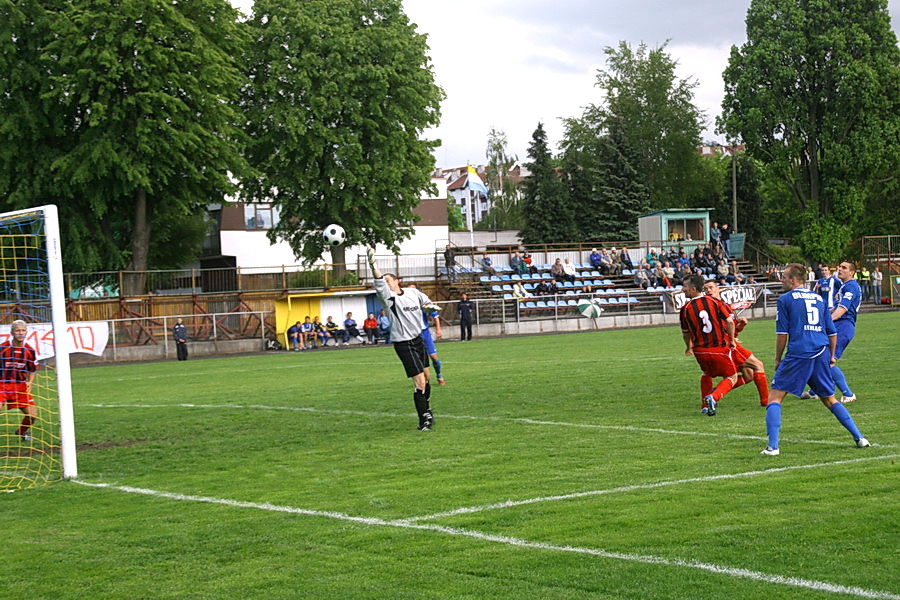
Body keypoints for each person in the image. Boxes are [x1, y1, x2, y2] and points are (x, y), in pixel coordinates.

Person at [760, 263, 870, 455]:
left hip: (798, 353)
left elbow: (782, 333)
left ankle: (773, 447)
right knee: (830, 399)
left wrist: (777, 358)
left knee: (775, 398)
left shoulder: (786, 299)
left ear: (793, 280)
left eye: (784, 277)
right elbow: (832, 332)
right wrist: (831, 356)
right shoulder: (818, 299)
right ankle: (860, 438)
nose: (782, 280)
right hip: (820, 352)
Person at [367, 247, 438, 431]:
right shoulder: (388, 298)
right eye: (385, 281)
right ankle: (424, 420)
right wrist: (373, 264)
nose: (386, 283)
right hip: (404, 343)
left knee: (427, 377)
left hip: (418, 339)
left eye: (389, 280)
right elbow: (378, 279)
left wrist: (430, 307)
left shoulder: (413, 293)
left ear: (398, 281)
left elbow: (427, 302)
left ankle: (427, 408)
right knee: (420, 381)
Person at [802, 260, 862, 403]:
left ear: (852, 272)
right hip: (839, 325)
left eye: (844, 268)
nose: (840, 269)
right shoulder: (845, 286)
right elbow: (836, 308)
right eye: (840, 267)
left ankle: (848, 394)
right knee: (820, 357)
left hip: (843, 326)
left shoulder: (851, 287)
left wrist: (826, 320)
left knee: (828, 360)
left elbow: (842, 310)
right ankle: (814, 391)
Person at [679, 274, 740, 416]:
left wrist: (689, 346)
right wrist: (731, 340)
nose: (683, 290)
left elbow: (685, 333)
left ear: (693, 289)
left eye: (685, 287)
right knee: (732, 376)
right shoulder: (713, 302)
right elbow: (730, 321)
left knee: (707, 373)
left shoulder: (685, 309)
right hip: (717, 348)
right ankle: (713, 397)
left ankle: (704, 407)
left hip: (700, 351)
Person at [703, 280, 769, 407]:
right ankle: (766, 402)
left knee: (748, 376)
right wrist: (732, 338)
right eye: (706, 289)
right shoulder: (713, 307)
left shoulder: (726, 306)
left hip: (728, 343)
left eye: (711, 287)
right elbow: (724, 330)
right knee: (758, 365)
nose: (708, 290)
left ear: (718, 289)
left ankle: (713, 393)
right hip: (728, 345)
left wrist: (741, 325)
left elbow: (733, 330)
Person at [1, 320, 39, 442]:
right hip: (2, 385)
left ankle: (21, 432)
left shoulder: (29, 351)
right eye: (17, 330)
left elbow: (32, 369)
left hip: (20, 387)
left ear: (26, 332)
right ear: (12, 332)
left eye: (23, 330)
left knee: (32, 416)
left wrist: (30, 382)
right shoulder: (2, 349)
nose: (20, 333)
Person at [408, 283, 446, 385]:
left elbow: (435, 316)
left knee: (434, 357)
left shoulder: (424, 303)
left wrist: (438, 330)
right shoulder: (406, 304)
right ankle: (424, 380)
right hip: (414, 335)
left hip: (425, 333)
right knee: (420, 361)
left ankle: (439, 375)